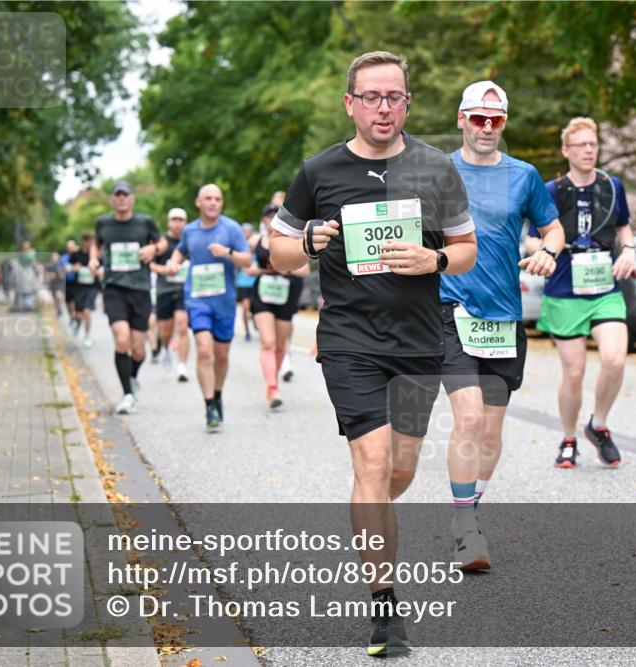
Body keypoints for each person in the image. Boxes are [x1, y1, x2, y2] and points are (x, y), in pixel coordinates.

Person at [269, 50, 476, 657]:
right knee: (371, 462)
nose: (384, 108)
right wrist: (306, 238)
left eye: (395, 97)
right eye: (372, 97)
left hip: (417, 340)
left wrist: (434, 260)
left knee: (399, 472)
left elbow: (465, 249)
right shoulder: (319, 171)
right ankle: (384, 609)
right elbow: (279, 253)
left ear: (407, 102)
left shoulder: (436, 168)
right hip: (348, 339)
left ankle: (371, 520)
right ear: (350, 103)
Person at [440, 80, 564, 571]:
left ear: (503, 123)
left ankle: (468, 507)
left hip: (502, 316)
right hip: (450, 311)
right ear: (461, 119)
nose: (486, 127)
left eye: (495, 120)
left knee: (490, 432)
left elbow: (551, 227)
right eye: (477, 118)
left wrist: (550, 251)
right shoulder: (438, 171)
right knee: (468, 418)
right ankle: (467, 528)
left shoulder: (524, 176)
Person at [525, 117, 635, 470]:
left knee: (615, 359)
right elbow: (531, 235)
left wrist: (629, 249)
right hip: (565, 290)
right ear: (566, 151)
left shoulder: (612, 186)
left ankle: (598, 425)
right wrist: (544, 253)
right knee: (574, 371)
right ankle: (569, 437)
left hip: (604, 287)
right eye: (582, 145)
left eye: (594, 144)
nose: (589, 151)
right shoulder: (552, 190)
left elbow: (623, 225)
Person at [167, 184, 252, 432]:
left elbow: (246, 260)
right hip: (197, 299)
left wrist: (227, 252)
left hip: (224, 302)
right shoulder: (190, 230)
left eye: (217, 199)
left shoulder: (231, 228)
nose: (213, 202)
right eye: (208, 198)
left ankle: (217, 394)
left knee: (221, 355)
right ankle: (209, 406)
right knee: (204, 351)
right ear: (198, 202)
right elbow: (179, 253)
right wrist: (173, 263)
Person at [89, 180, 166, 414]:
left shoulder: (144, 222)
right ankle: (127, 394)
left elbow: (161, 242)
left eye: (125, 195)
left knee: (139, 350)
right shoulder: (103, 223)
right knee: (121, 340)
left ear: (132, 198)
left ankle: (132, 377)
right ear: (113, 199)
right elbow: (97, 243)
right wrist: (94, 258)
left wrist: (154, 249)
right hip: (114, 288)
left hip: (140, 289)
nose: (121, 198)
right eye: (117, 195)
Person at [249, 203, 309, 408]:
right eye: (268, 217)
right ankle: (273, 387)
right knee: (268, 342)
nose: (271, 220)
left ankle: (272, 379)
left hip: (285, 295)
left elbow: (305, 271)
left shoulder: (292, 242)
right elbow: (245, 265)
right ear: (263, 221)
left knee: (281, 345)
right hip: (262, 295)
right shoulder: (255, 241)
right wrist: (255, 269)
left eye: (275, 216)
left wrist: (287, 269)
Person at [150, 208, 191, 381]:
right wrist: (165, 270)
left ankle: (182, 366)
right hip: (165, 290)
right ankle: (165, 348)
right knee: (165, 330)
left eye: (180, 220)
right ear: (168, 222)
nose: (177, 223)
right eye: (174, 220)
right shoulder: (162, 242)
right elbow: (150, 265)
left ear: (185, 222)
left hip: (185, 290)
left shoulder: (189, 240)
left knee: (182, 326)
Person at [70, 234, 99, 348]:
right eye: (87, 240)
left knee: (87, 311)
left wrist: (97, 272)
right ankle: (77, 322)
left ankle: (87, 336)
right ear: (83, 241)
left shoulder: (96, 255)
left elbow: (101, 269)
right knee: (79, 314)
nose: (89, 243)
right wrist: (73, 268)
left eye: (91, 241)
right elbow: (68, 268)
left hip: (92, 287)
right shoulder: (76, 255)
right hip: (79, 287)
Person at [235, 222, 258, 342]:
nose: (246, 233)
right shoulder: (238, 247)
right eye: (244, 231)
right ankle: (247, 330)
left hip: (256, 282)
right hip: (242, 283)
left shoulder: (256, 245)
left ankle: (255, 321)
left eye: (248, 230)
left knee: (256, 308)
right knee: (245, 307)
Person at [60, 238, 80, 328]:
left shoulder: (79, 256)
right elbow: (61, 269)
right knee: (68, 302)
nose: (71, 248)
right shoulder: (64, 258)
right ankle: (71, 316)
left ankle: (75, 316)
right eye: (69, 247)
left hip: (77, 282)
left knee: (74, 301)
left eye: (72, 246)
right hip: (67, 282)